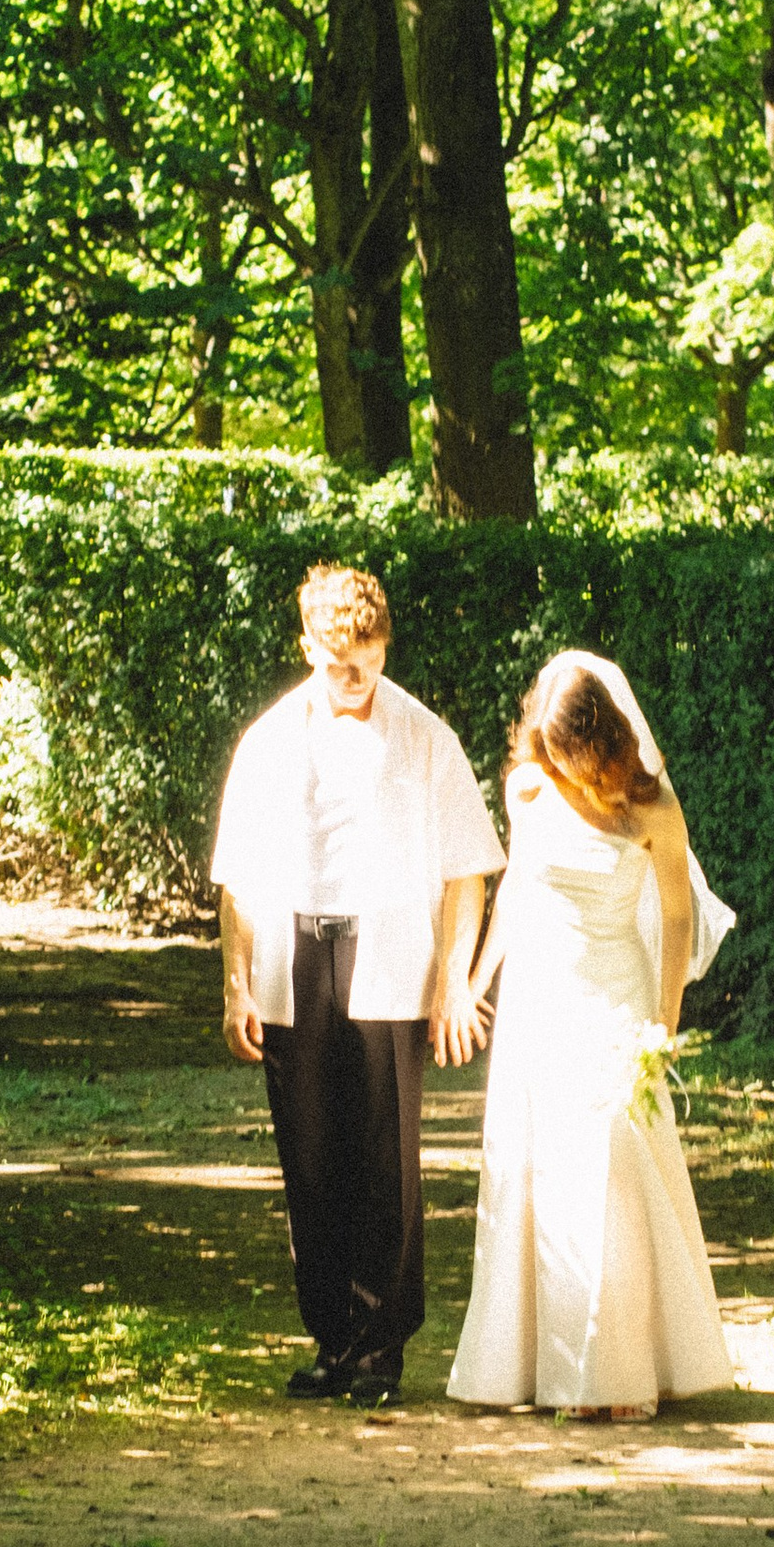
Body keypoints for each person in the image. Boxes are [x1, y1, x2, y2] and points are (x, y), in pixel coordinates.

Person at [211, 565, 503, 1407]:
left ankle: (381, 1346)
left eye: (369, 658)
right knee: (309, 1152)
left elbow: (466, 870)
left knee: (386, 1154)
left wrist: (453, 982)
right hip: (292, 953)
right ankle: (332, 1338)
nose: (355, 675)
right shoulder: (270, 739)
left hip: (389, 954)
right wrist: (236, 985)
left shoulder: (423, 736)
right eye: (338, 660)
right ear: (307, 647)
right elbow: (237, 875)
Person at [446, 652, 735, 1418]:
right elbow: (518, 886)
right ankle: (556, 1371)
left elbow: (676, 919)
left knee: (611, 1170)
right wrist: (473, 983)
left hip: (617, 998)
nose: (564, 773)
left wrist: (662, 1028)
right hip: (542, 997)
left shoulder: (652, 809)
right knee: (548, 1179)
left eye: (574, 758)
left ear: (601, 742)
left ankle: (621, 1371)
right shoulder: (529, 786)